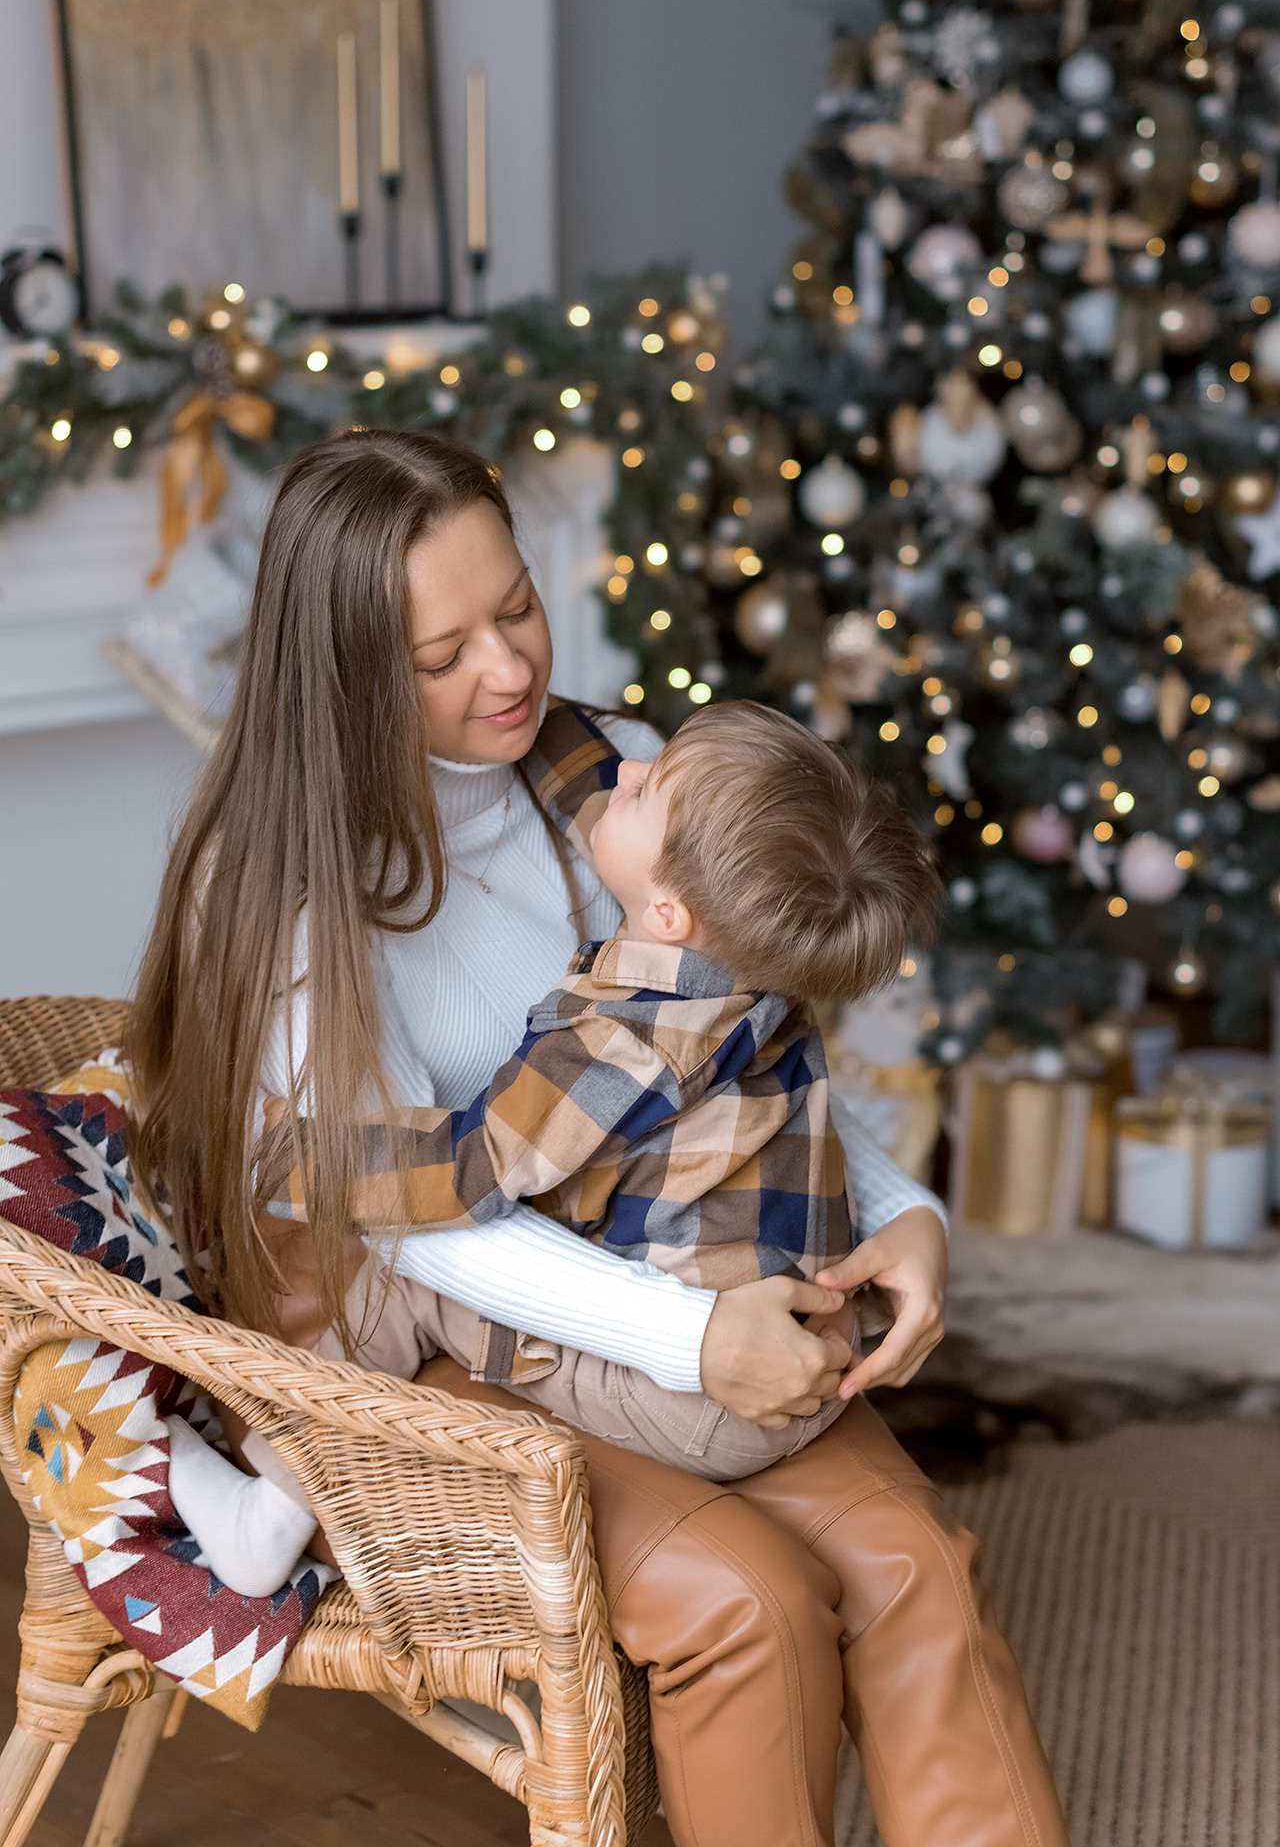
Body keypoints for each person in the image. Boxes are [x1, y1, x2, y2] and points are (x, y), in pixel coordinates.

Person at [131, 429, 1068, 1847]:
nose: (508, 672)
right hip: (438, 1332)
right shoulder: (278, 889)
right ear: (339, 675)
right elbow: (417, 1213)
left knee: (916, 1563)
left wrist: (909, 1217)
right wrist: (691, 1343)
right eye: (440, 656)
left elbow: (752, 1059)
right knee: (743, 1601)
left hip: (651, 1273)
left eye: (515, 608)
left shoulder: (626, 785)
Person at [165, 695, 940, 1584]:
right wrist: (534, 717)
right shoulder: (758, 961)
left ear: (671, 910)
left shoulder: (622, 1041)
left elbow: (466, 1170)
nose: (630, 769)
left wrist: (292, 1155)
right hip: (809, 1333)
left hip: (714, 1395)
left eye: (647, 791)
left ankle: (270, 1508)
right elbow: (598, 788)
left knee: (389, 1283)